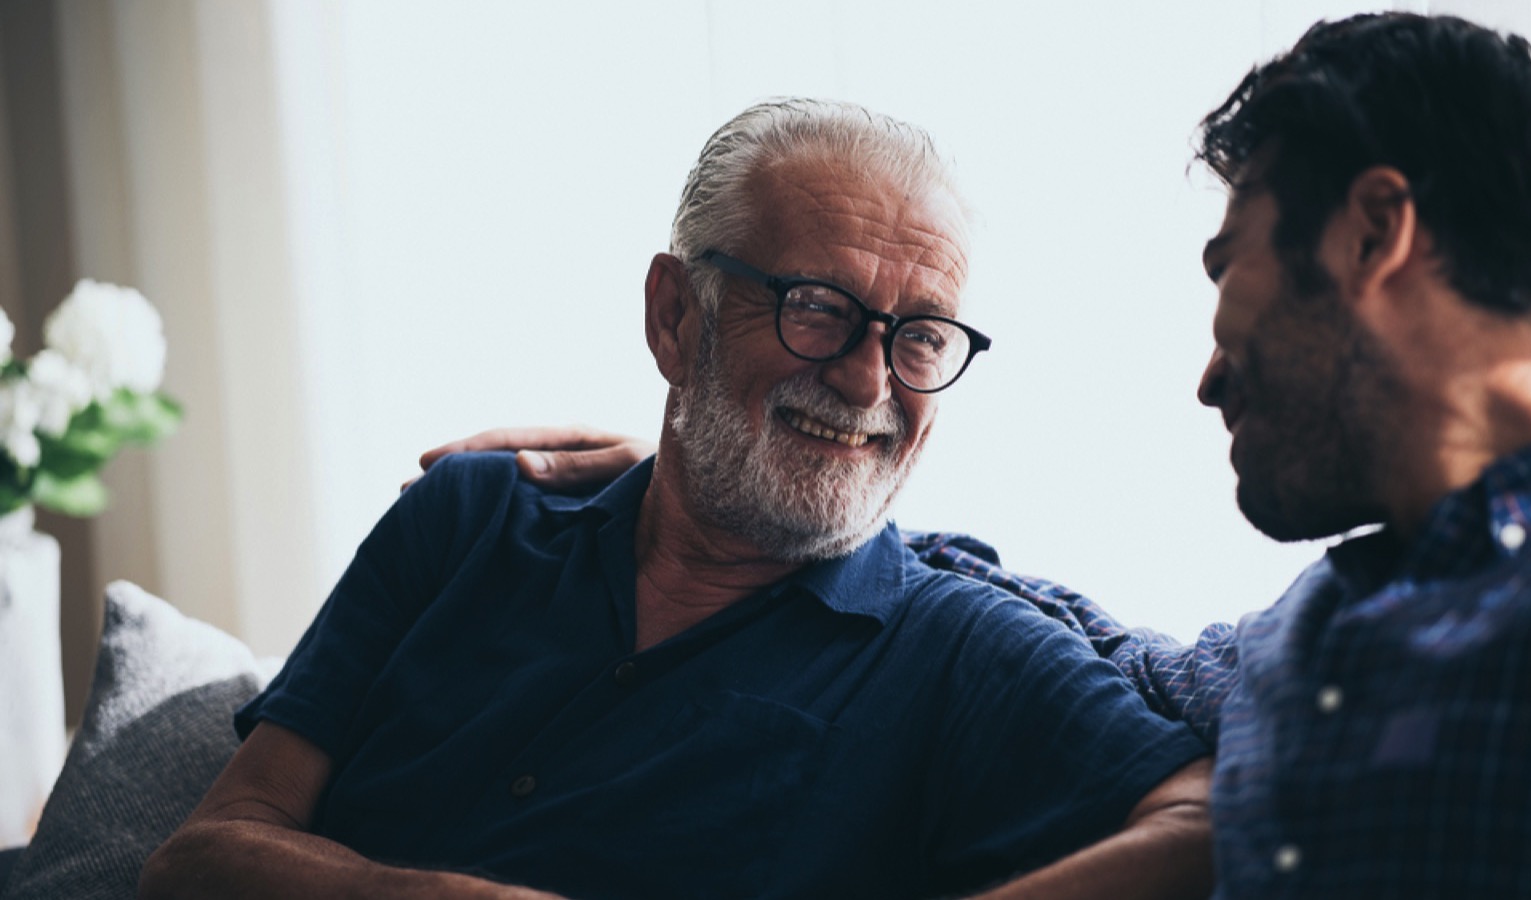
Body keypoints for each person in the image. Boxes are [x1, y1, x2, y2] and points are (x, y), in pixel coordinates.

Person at [440, 13, 1531, 898]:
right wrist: (719, 461)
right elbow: (1071, 641)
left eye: (1225, 262)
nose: (1206, 375)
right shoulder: (1304, 641)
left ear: (1369, 234)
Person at [140, 100, 1212, 900]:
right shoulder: (468, 516)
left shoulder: (958, 646)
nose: (866, 379)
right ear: (673, 318)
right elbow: (198, 856)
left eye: (920, 336)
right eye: (817, 308)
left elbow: (1211, 824)